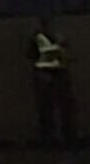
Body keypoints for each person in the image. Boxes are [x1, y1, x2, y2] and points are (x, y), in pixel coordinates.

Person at [27, 18, 74, 147]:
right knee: (46, 109)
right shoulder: (38, 39)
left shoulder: (60, 37)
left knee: (62, 108)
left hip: (58, 75)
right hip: (44, 75)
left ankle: (64, 137)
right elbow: (31, 55)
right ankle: (48, 139)